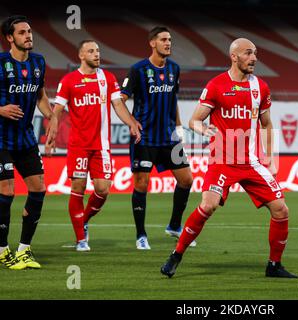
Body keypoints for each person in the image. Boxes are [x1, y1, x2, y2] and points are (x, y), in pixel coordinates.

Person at [160, 38, 298, 279]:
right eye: (248, 53)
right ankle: (176, 255)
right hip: (222, 160)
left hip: (251, 161)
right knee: (208, 205)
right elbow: (195, 120)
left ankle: (274, 266)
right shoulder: (216, 86)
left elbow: (266, 124)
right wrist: (202, 129)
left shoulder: (260, 87)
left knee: (281, 210)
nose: (254, 58)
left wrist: (271, 158)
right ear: (234, 56)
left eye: (255, 53)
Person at [50, 40, 141, 251]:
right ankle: (81, 239)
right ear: (81, 55)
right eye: (91, 51)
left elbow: (118, 104)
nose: (96, 54)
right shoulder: (69, 80)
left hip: (101, 146)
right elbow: (57, 109)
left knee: (103, 190)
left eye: (98, 50)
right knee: (78, 188)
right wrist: (53, 129)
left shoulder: (107, 78)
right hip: (79, 145)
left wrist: (131, 122)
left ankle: (83, 220)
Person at [121, 26, 194, 250]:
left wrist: (179, 128)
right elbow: (120, 99)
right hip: (145, 138)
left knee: (186, 180)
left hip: (169, 137)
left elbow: (173, 101)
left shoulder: (174, 68)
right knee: (142, 184)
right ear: (152, 43)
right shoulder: (138, 70)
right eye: (163, 39)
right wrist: (131, 123)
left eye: (170, 39)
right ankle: (141, 234)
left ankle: (174, 225)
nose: (168, 43)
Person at [0, 15, 57, 269]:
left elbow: (40, 96)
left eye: (30, 31)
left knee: (38, 188)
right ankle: (2, 250)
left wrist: (51, 116)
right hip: (0, 139)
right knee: (7, 191)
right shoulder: (0, 63)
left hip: (25, 139)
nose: (29, 36)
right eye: (22, 32)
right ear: (10, 38)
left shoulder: (38, 62)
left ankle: (24, 250)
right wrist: (0, 109)